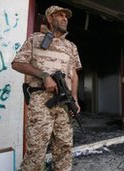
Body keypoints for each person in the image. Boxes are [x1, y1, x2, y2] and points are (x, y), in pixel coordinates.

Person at [11, 5, 82, 171]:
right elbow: (17, 64)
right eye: (60, 15)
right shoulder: (35, 40)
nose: (65, 18)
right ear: (50, 19)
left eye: (66, 16)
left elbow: (74, 75)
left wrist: (75, 99)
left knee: (64, 148)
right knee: (36, 151)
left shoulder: (71, 46)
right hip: (41, 102)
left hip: (64, 103)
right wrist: (44, 76)